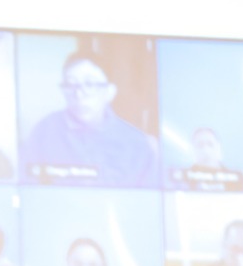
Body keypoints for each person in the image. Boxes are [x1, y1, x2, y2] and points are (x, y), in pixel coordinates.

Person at [22, 51, 159, 186]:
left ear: (110, 92)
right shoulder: (44, 132)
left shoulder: (138, 144)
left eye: (90, 84)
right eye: (70, 84)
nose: (79, 94)